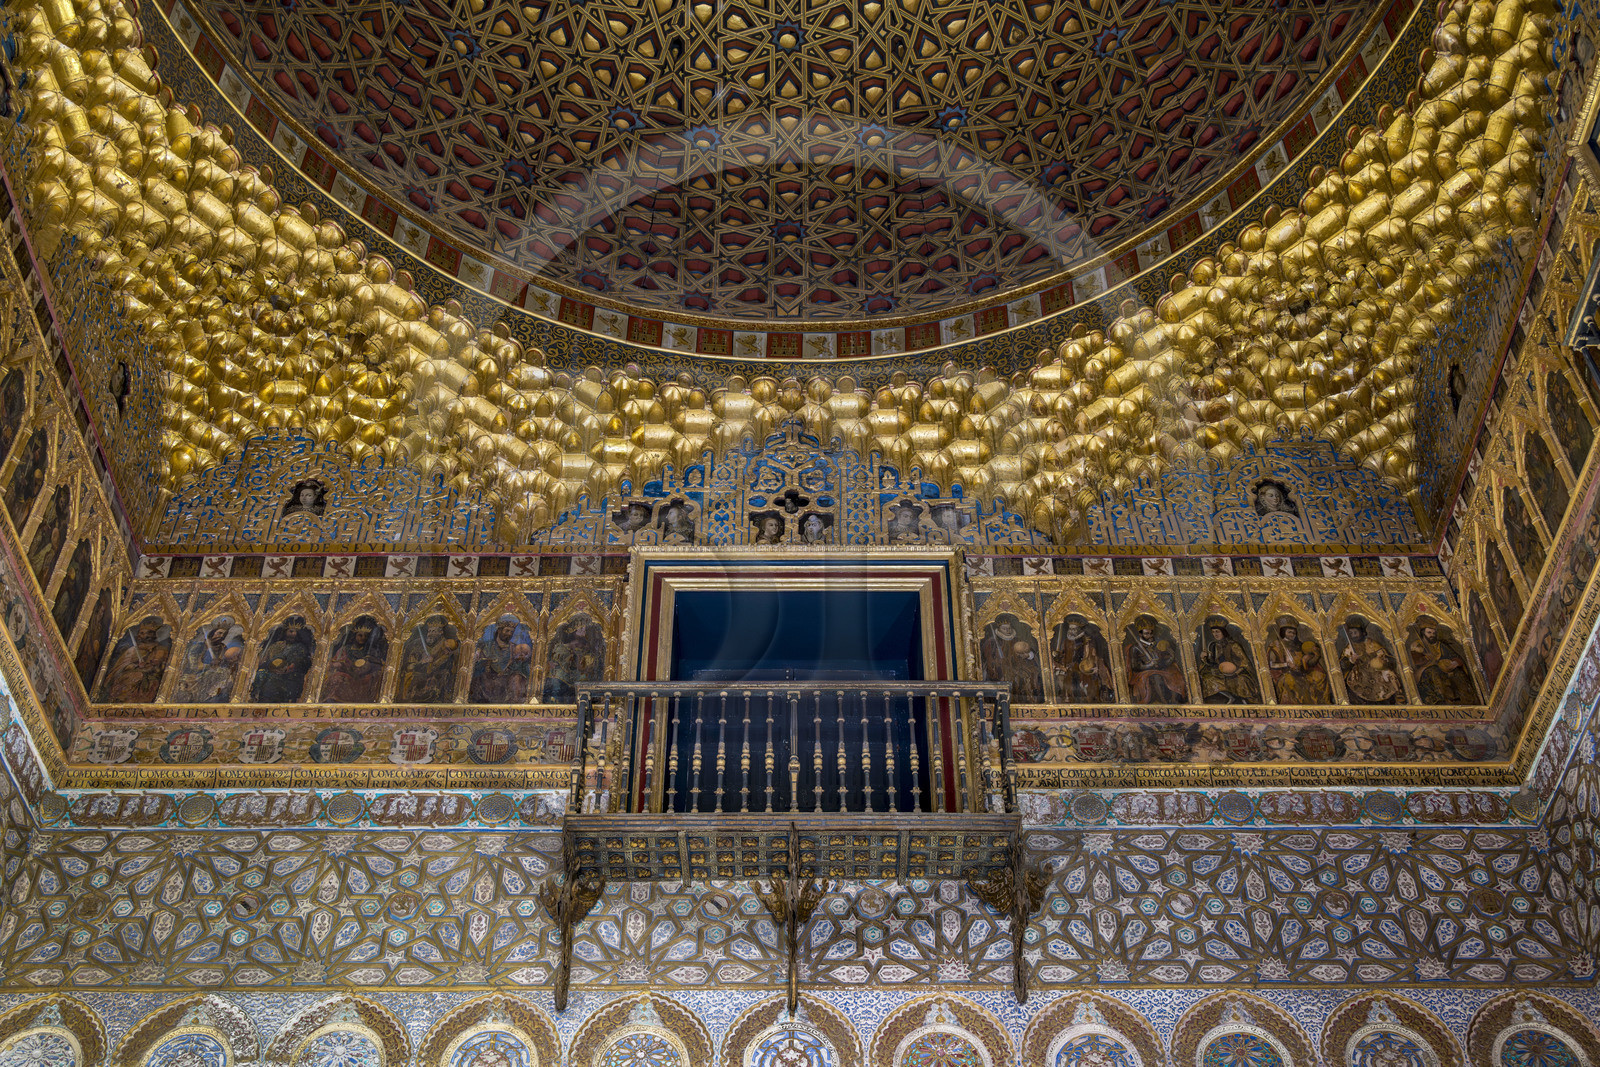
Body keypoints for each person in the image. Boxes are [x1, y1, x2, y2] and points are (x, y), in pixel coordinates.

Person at [169, 618, 245, 703]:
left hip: (212, 678)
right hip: (194, 676)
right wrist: (210, 665)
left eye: (224, 635)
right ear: (212, 633)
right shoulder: (198, 647)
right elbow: (193, 665)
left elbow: (226, 665)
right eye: (219, 633)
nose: (221, 636)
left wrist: (221, 664)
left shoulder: (223, 648)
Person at [98, 616, 171, 703]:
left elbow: (160, 667)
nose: (142, 636)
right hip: (132, 674)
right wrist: (135, 666)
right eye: (141, 633)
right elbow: (121, 667)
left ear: (153, 635)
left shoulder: (160, 649)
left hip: (148, 675)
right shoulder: (132, 650)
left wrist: (148, 667)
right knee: (130, 678)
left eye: (146, 633)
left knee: (144, 679)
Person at [1409, 620, 1479, 704]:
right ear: (1423, 633)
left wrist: (1455, 663)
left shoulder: (1440, 645)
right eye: (1429, 632)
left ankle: (1467, 700)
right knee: (1434, 671)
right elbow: (1415, 661)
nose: (1432, 635)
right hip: (1429, 671)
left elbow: (1455, 657)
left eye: (1434, 633)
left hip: (1447, 669)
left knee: (1458, 673)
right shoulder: (1417, 646)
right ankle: (1440, 701)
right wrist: (1425, 658)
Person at [321, 616, 388, 702]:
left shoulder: (370, 652)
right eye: (360, 635)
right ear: (354, 636)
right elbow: (334, 662)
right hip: (347, 672)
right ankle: (332, 701)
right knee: (337, 678)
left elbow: (377, 664)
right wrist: (342, 665)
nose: (363, 638)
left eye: (366, 636)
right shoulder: (345, 649)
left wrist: (367, 666)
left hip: (363, 676)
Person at [249, 615, 316, 703]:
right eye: (290, 631)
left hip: (289, 675)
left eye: (295, 632)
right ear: (285, 632)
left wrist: (288, 668)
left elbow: (301, 663)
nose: (293, 634)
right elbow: (266, 660)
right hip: (272, 671)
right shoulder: (276, 646)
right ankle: (254, 697)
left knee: (272, 681)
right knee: (260, 674)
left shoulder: (300, 648)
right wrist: (270, 666)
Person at [469, 615, 533, 703]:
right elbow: (476, 664)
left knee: (517, 678)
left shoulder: (515, 648)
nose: (509, 634)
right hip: (488, 680)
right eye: (507, 631)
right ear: (499, 630)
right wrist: (486, 663)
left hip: (507, 682)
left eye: (511, 632)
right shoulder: (486, 646)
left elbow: (521, 666)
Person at [980, 614, 1044, 703]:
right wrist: (998, 662)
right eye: (1004, 628)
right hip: (999, 669)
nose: (1007, 630)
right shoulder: (991, 642)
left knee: (1031, 675)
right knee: (1009, 678)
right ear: (999, 629)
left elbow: (1030, 652)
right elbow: (988, 659)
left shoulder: (1017, 640)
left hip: (1018, 666)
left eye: (1009, 628)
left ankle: (1029, 700)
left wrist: (1028, 655)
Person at [397, 615, 461, 703]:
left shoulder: (446, 644)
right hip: (417, 683)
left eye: (434, 631)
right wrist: (422, 662)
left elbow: (451, 662)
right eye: (429, 631)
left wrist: (435, 661)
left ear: (441, 632)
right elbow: (407, 667)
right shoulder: (416, 645)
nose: (430, 634)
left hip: (437, 683)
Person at [1124, 615, 1187, 703]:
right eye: (1146, 633)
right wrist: (1149, 665)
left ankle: (1175, 700)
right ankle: (1163, 701)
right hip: (1143, 672)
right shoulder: (1135, 648)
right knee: (1156, 677)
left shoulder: (1157, 645)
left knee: (1175, 674)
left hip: (1159, 669)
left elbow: (1163, 662)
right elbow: (1135, 666)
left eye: (1151, 633)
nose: (1150, 636)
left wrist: (1170, 657)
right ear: (1140, 634)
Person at [1266, 621, 1332, 705]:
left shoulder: (1299, 645)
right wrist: (1287, 665)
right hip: (1285, 673)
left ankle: (1322, 705)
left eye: (1294, 633)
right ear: (1283, 632)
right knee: (1290, 681)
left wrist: (1315, 656)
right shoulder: (1276, 645)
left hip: (1302, 672)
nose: (1292, 635)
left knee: (1320, 676)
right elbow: (1271, 665)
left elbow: (1309, 663)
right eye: (1289, 632)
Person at [1196, 618, 1259, 704]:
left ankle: (1245, 701)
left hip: (1237, 672)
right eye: (1213, 632)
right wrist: (1204, 658)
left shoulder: (1233, 645)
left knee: (1242, 681)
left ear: (1223, 632)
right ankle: (1230, 697)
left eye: (1217, 632)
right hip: (1221, 672)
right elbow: (1212, 663)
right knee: (1208, 679)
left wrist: (1235, 672)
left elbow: (1244, 662)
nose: (1215, 634)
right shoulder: (1213, 646)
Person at [543, 616, 604, 703]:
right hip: (563, 675)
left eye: (585, 629)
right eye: (581, 628)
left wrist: (580, 658)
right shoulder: (562, 647)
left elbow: (588, 665)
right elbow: (556, 660)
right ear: (573, 630)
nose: (584, 631)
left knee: (583, 682)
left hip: (579, 676)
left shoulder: (587, 649)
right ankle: (553, 704)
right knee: (555, 680)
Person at [1052, 616, 1113, 703]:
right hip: (1070, 666)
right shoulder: (1066, 642)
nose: (1071, 631)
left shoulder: (1087, 640)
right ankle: (1067, 697)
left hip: (1084, 665)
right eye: (1070, 629)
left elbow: (1092, 654)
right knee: (1062, 676)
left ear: (1078, 630)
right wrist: (1058, 655)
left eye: (1074, 629)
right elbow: (1063, 653)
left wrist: (1092, 663)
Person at [1340, 619, 1402, 704]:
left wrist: (1380, 659)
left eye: (1355, 632)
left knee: (1389, 675)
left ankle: (1397, 695)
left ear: (1363, 632)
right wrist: (1351, 660)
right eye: (1351, 633)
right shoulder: (1349, 647)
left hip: (1377, 672)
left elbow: (1385, 656)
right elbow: (1342, 664)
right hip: (1360, 674)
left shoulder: (1372, 643)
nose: (1353, 635)